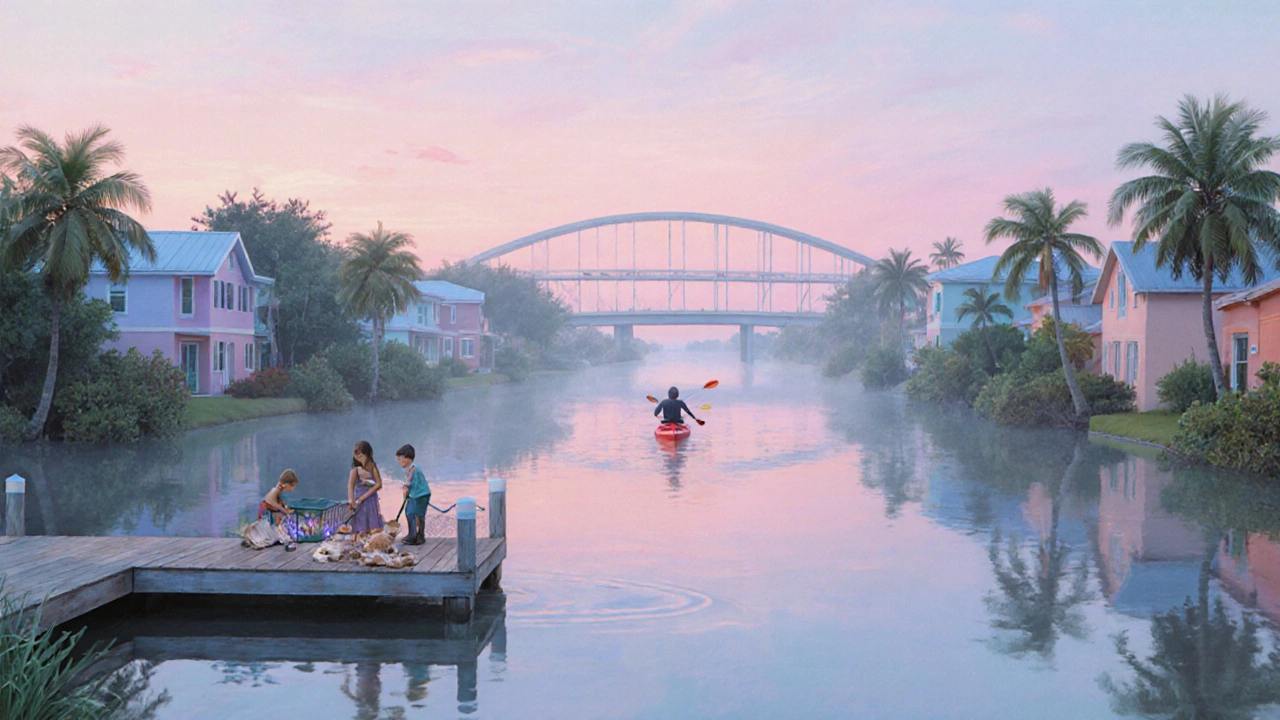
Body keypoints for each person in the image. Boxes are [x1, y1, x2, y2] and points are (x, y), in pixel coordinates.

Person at [348, 440, 385, 535]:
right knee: (360, 521)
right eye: (357, 456)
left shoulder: (373, 466)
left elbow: (379, 484)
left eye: (361, 456)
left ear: (368, 454)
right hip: (359, 496)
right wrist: (351, 500)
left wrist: (368, 484)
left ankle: (373, 540)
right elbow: (351, 485)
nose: (359, 458)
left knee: (372, 521)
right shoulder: (356, 468)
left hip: (371, 497)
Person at [397, 444, 431, 546]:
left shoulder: (412, 469)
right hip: (424, 494)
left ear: (407, 458)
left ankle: (412, 536)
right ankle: (420, 536)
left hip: (418, 495)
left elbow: (408, 484)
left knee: (409, 512)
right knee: (420, 514)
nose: (399, 462)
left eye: (400, 459)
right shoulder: (416, 467)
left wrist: (405, 492)